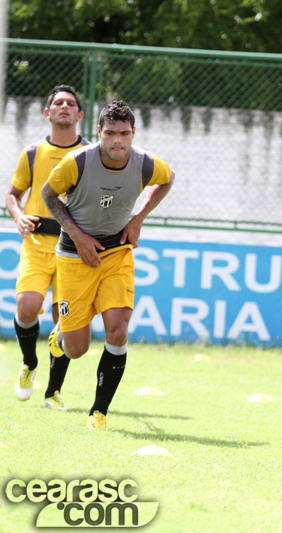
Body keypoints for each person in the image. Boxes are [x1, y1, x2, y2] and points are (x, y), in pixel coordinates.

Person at [42, 100, 174, 430]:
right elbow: (48, 194)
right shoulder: (77, 162)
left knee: (117, 330)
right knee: (76, 349)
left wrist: (139, 218)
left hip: (117, 253)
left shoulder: (145, 163)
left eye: (125, 133)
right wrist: (77, 235)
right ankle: (61, 334)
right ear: (98, 132)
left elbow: (168, 179)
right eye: (111, 133)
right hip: (74, 256)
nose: (118, 140)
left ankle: (98, 413)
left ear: (133, 133)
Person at [8, 85, 90, 409]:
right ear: (48, 113)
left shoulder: (90, 155)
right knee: (27, 307)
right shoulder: (32, 153)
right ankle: (29, 362)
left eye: (71, 103)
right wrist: (17, 215)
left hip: (72, 249)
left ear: (80, 115)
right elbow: (13, 195)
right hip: (36, 243)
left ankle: (53, 393)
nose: (65, 107)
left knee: (64, 322)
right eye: (58, 103)